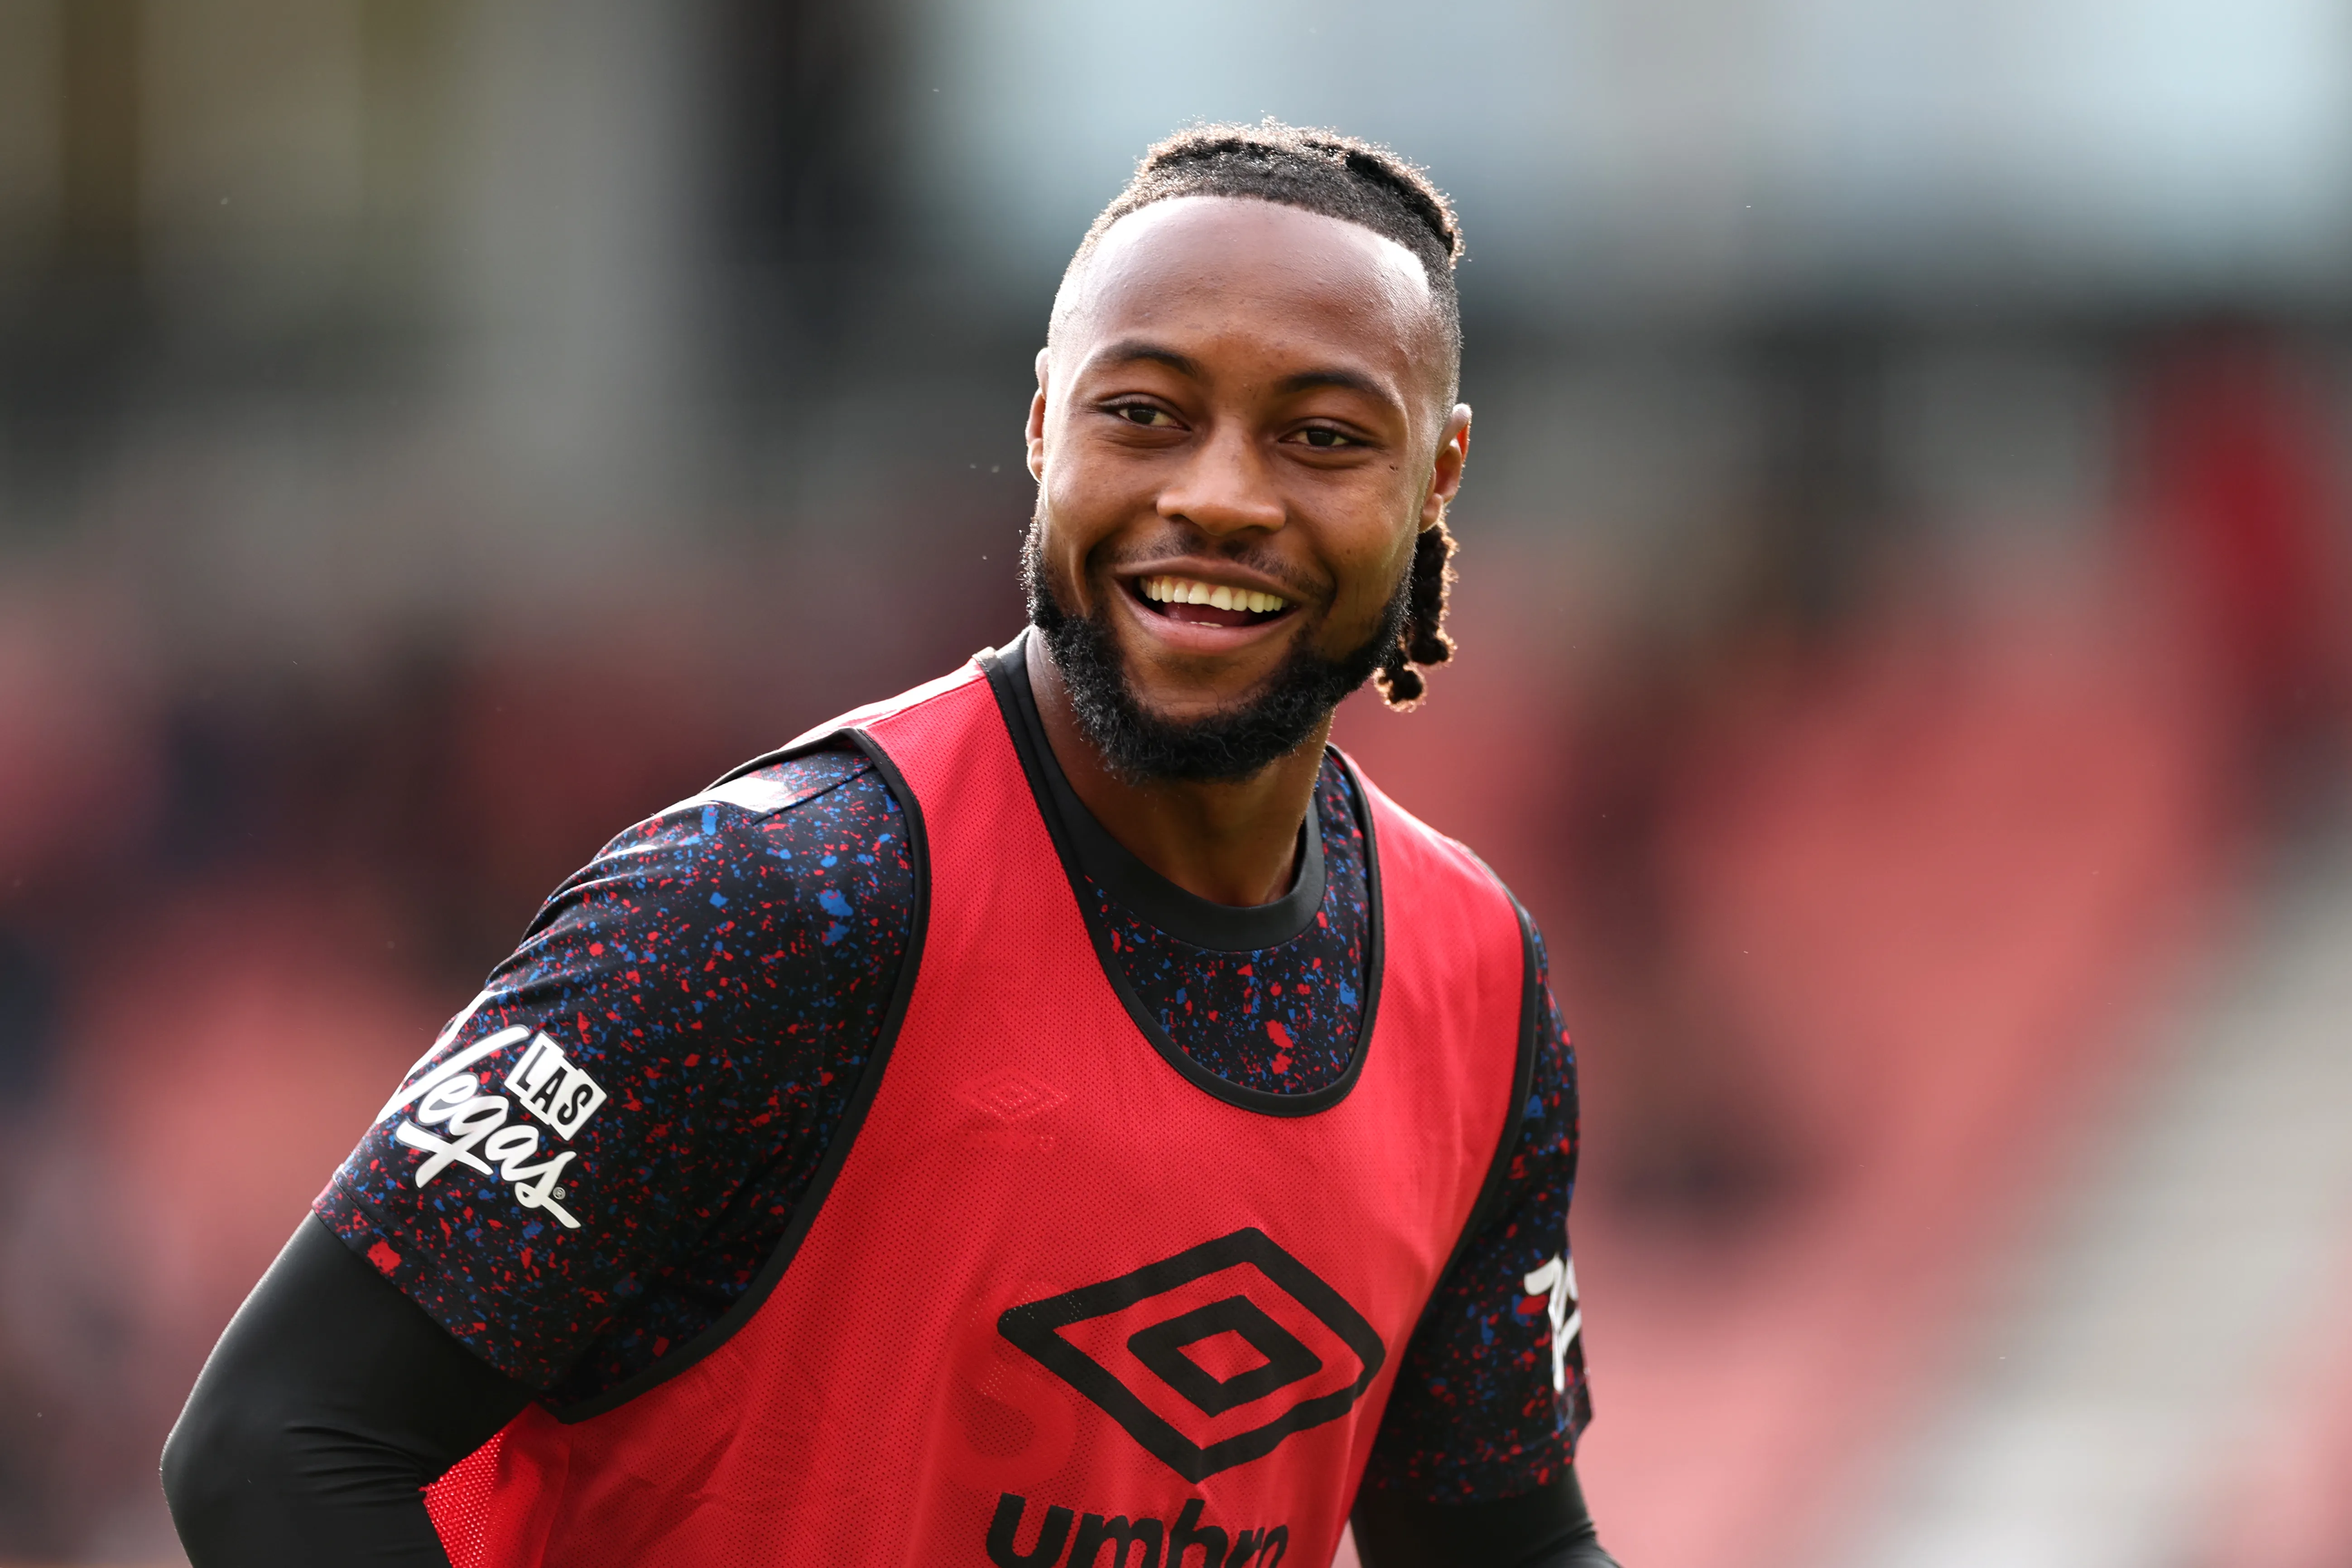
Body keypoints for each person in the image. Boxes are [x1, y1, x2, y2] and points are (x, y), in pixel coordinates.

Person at [162, 121, 1616, 1568]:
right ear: (1045, 425)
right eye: (1146, 413)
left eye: (1322, 436)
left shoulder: (1475, 979)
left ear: (1438, 476)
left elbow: (1505, 1549)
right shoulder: (774, 904)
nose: (1220, 496)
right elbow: (281, 1444)